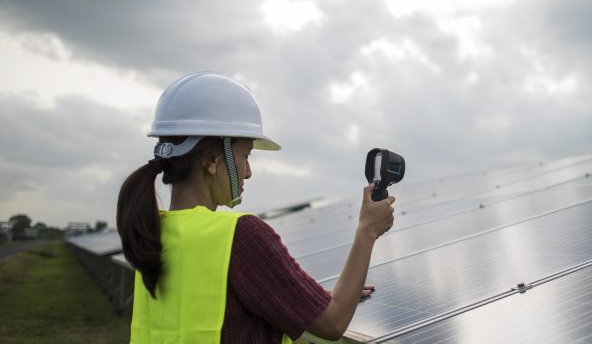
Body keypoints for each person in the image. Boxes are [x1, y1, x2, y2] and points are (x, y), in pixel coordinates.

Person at [116, 72, 395, 343]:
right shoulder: (239, 235)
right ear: (212, 160)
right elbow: (333, 323)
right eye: (246, 155)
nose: (248, 172)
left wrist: (302, 300)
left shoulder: (152, 231)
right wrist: (367, 230)